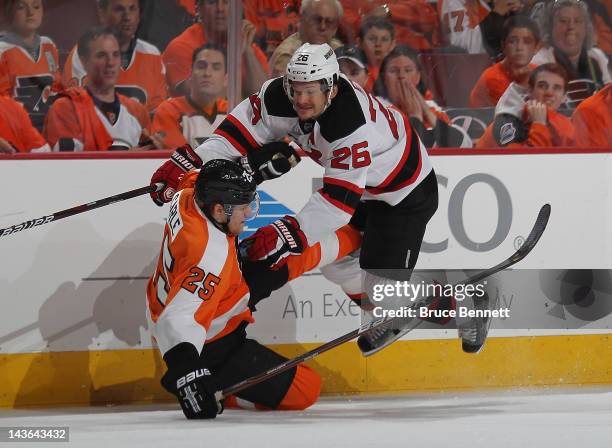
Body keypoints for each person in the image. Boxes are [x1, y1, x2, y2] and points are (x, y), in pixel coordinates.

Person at [149, 43, 491, 356]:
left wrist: (285, 235)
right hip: (363, 189)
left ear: (331, 87)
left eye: (310, 91)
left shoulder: (349, 124)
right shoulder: (277, 96)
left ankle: (466, 308)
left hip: (401, 195)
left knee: (384, 296)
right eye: (295, 90)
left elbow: (338, 203)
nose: (301, 101)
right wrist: (188, 164)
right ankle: (387, 308)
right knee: (337, 264)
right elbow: (234, 137)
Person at [147, 159, 362, 419]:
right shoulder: (209, 259)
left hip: (218, 294)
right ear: (218, 210)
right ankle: (223, 387)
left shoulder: (189, 193)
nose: (249, 214)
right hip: (213, 341)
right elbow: (177, 321)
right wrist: (189, 375)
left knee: (291, 252)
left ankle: (362, 234)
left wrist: (256, 162)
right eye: (243, 208)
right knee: (306, 389)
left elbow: (190, 175)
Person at [44, 27, 152, 151]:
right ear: (84, 61)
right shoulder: (66, 108)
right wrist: (130, 156)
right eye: (101, 55)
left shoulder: (137, 111)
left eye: (116, 55)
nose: (111, 62)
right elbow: (69, 167)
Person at [62, 0, 168, 113]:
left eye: (132, 9)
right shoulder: (84, 53)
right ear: (102, 13)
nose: (127, 17)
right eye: (119, 9)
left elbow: (157, 114)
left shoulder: (152, 55)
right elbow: (80, 113)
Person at [162, 0, 269, 98]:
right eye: (212, 2)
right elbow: (202, 99)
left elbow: (264, 99)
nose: (220, 9)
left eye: (227, 2)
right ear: (199, 8)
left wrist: (248, 51)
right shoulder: (181, 47)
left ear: (239, 9)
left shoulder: (247, 45)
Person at [374, 45, 472, 148]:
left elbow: (465, 146)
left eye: (408, 70)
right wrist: (415, 118)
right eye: (393, 71)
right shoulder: (376, 109)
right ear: (384, 78)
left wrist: (428, 113)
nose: (401, 76)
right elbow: (409, 154)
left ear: (417, 77)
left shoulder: (431, 107)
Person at [477, 63, 575, 147]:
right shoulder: (509, 120)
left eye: (557, 88)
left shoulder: (563, 124)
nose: (549, 93)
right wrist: (539, 124)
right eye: (542, 86)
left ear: (564, 97)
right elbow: (524, 163)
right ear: (530, 91)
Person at [532, 0, 610, 106]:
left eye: (577, 21)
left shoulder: (597, 57)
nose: (571, 27)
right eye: (563, 21)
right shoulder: (540, 62)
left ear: (586, 28)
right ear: (550, 28)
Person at [151, 44, 228, 149]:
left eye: (216, 68)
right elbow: (181, 160)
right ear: (190, 74)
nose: (207, 73)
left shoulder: (232, 111)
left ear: (225, 79)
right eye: (201, 66)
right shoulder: (169, 110)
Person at [0, 0, 62, 130]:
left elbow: (56, 89)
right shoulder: (2, 50)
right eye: (21, 7)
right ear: (8, 13)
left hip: (49, 128)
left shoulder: (49, 45)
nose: (30, 13)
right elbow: (3, 102)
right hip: (18, 130)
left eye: (36, 6)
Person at [470, 16, 540, 107]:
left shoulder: (538, 72)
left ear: (536, 47)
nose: (519, 48)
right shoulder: (492, 77)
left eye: (527, 42)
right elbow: (514, 113)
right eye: (512, 41)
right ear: (503, 46)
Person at [269, 0, 344, 77]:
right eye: (316, 19)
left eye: (329, 22)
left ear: (336, 27)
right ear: (302, 18)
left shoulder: (338, 50)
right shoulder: (287, 56)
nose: (322, 26)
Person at [339, 0, 441, 51]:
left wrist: (388, 11)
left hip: (416, 57)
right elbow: (351, 27)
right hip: (371, 60)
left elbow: (428, 18)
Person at [438, 0, 524, 55]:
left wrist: (513, 14)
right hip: (464, 70)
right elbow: (464, 48)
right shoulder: (452, 2)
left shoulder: (483, 4)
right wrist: (497, 14)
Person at [357, 15, 395, 92]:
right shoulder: (354, 71)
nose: (378, 44)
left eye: (384, 40)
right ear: (360, 42)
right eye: (372, 39)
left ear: (392, 44)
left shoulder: (399, 72)